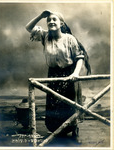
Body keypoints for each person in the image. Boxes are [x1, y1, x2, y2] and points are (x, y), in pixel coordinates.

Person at [26, 10, 91, 140]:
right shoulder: (45, 37)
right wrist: (41, 16)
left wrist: (75, 74)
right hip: (53, 75)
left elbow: (80, 58)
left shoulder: (69, 39)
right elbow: (29, 28)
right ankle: (57, 132)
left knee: (68, 105)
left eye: (54, 19)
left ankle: (73, 129)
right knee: (53, 104)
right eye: (48, 20)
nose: (51, 22)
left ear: (61, 23)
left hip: (69, 74)